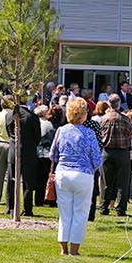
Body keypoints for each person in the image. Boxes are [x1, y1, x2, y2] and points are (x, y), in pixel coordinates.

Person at [49, 98, 105, 255]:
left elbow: (53, 154)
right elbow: (97, 159)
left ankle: (63, 248)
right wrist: (91, 168)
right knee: (80, 212)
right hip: (83, 174)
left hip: (63, 173)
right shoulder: (89, 133)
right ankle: (74, 249)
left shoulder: (61, 131)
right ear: (84, 114)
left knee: (64, 212)